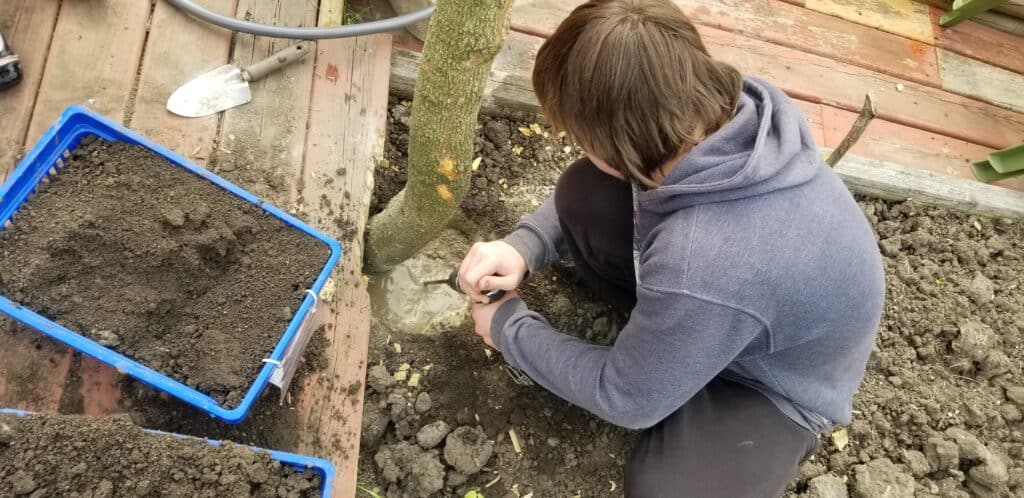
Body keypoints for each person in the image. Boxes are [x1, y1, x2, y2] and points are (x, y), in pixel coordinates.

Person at [456, 0, 885, 496]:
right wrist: (524, 246)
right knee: (583, 193)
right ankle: (672, 353)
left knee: (665, 488)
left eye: (581, 139)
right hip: (729, 300)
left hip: (774, 384)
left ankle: (685, 376)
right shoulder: (715, 116)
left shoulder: (703, 259)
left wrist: (509, 327)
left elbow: (626, 398)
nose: (579, 148)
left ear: (620, 143)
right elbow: (621, 198)